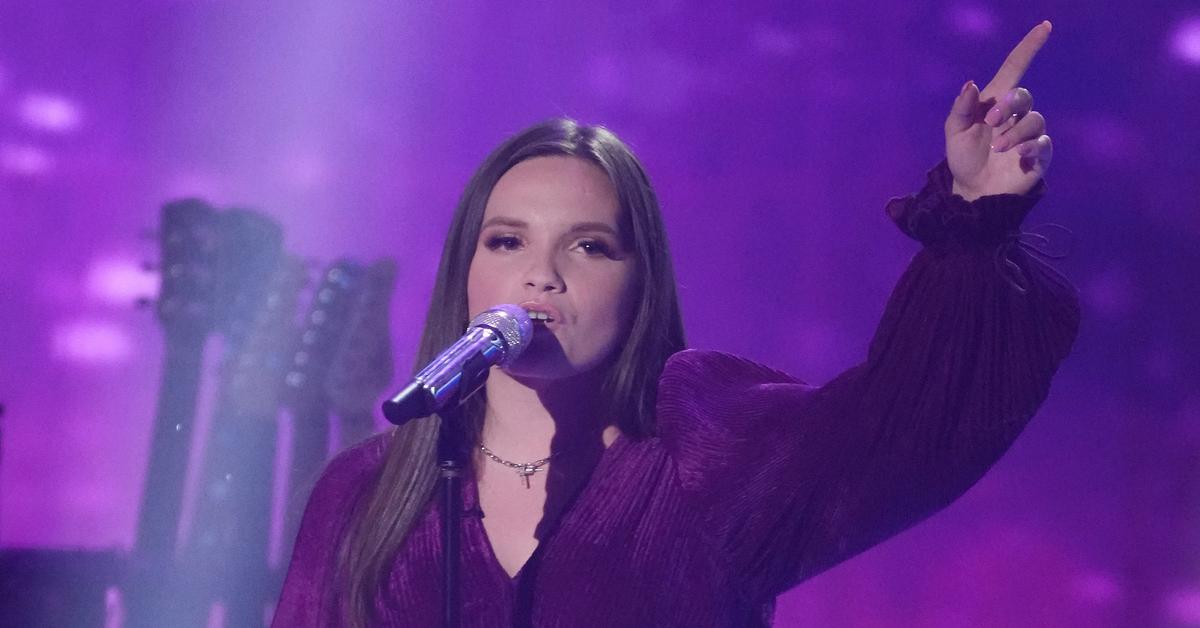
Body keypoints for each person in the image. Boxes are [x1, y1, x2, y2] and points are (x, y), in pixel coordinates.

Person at [273, 21, 1078, 628]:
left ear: (640, 280)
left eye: (589, 246)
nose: (539, 274)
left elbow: (902, 427)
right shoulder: (366, 494)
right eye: (508, 240)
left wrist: (976, 213)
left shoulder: (706, 454)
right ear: (466, 269)